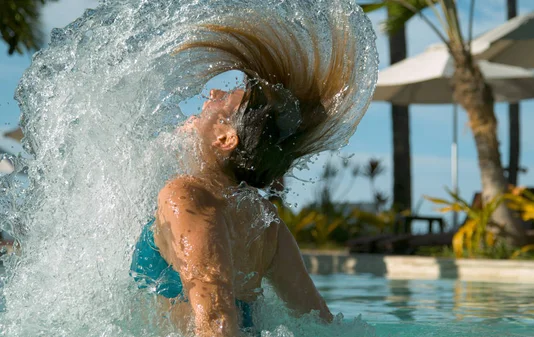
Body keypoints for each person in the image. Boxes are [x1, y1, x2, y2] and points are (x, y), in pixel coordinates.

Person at [129, 10, 369, 337]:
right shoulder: (265, 221)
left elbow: (217, 324)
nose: (212, 94)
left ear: (226, 139)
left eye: (226, 97)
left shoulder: (186, 197)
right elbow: (323, 323)